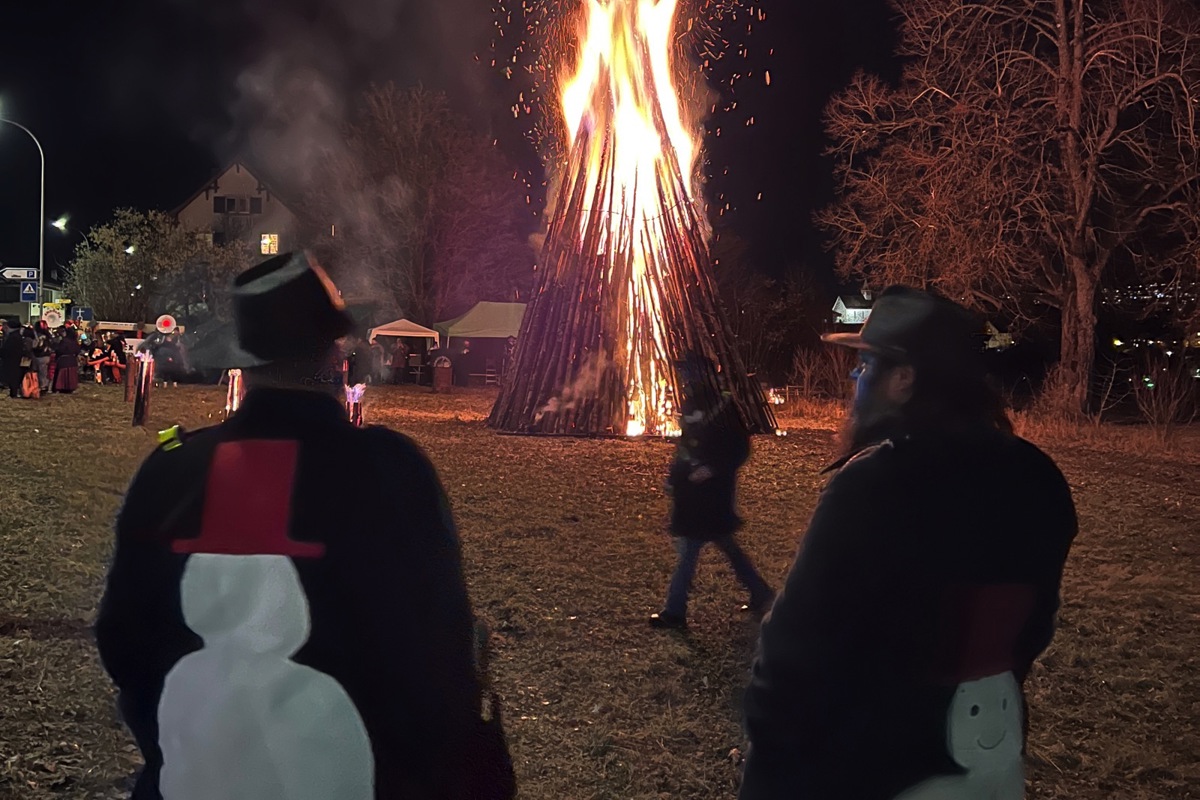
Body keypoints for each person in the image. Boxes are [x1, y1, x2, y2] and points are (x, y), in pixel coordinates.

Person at [94, 251, 514, 800]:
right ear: (335, 351)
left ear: (243, 357)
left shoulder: (173, 470)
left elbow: (122, 640)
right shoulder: (391, 471)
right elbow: (440, 653)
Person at [739, 286, 1078, 800]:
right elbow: (1032, 628)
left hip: (883, 773)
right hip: (991, 760)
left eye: (866, 364)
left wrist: (766, 774)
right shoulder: (1039, 476)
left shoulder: (877, 482)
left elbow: (794, 652)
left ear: (903, 378)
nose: (855, 377)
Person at [648, 354, 774, 630]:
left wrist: (713, 469)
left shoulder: (722, 405)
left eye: (688, 374)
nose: (683, 380)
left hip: (711, 493)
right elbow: (685, 445)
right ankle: (761, 593)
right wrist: (675, 477)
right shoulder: (693, 402)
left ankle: (675, 611)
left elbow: (739, 448)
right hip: (692, 492)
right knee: (725, 546)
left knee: (690, 550)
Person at [52, 327, 81, 394]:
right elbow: (78, 350)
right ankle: (70, 388)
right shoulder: (75, 341)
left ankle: (61, 388)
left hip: (64, 360)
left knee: (62, 375)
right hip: (72, 360)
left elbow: (60, 350)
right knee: (71, 375)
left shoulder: (64, 341)